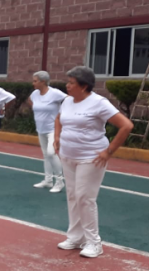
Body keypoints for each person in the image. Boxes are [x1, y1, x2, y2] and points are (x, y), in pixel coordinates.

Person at [54, 66, 133, 258]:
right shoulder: (67, 101)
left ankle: (94, 242)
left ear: (84, 86)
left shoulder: (98, 103)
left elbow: (126, 125)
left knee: (85, 198)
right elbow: (58, 118)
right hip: (67, 155)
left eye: (71, 83)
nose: (67, 85)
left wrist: (109, 151)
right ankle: (75, 237)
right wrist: (57, 137)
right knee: (73, 196)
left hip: (90, 158)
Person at [29, 71, 67, 192]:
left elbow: (69, 100)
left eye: (35, 81)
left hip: (53, 129)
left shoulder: (54, 93)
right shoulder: (35, 94)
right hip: (41, 129)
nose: (33, 83)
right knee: (46, 155)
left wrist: (62, 114)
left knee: (51, 153)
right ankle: (48, 180)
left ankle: (60, 181)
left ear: (43, 81)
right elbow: (31, 102)